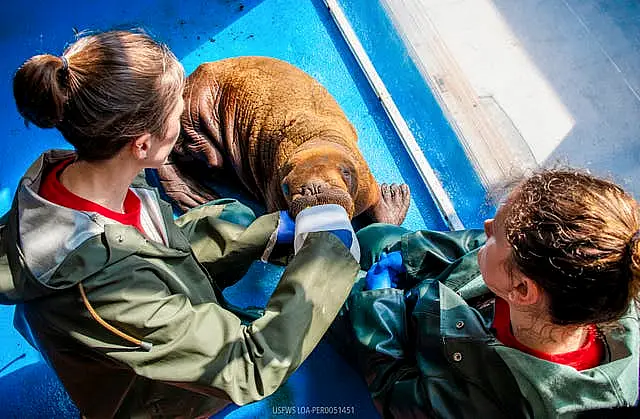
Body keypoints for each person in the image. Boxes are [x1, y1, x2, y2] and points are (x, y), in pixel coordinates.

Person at [0, 29, 362, 418]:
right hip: (155, 396)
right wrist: (329, 255)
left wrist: (267, 233)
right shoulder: (102, 290)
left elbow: (146, 245)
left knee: (232, 217)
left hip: (127, 306)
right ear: (142, 143)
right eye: (176, 108)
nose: (183, 109)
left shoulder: (82, 172)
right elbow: (246, 367)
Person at [330, 169, 640, 418]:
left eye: (497, 233)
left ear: (520, 289)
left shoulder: (489, 404)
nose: (487, 224)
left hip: (406, 348)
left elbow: (395, 391)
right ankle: (385, 236)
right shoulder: (607, 276)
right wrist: (410, 254)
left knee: (333, 285)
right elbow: (474, 246)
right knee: (373, 238)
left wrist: (379, 300)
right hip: (437, 304)